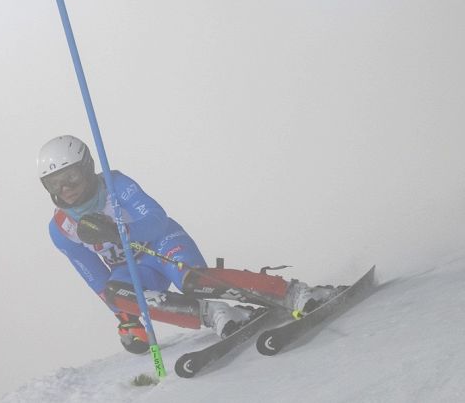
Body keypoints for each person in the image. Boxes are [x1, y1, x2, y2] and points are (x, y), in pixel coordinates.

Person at [38, 135, 338, 354]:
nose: (65, 189)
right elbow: (98, 281)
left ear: (87, 168)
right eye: (55, 183)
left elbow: (157, 219)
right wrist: (127, 319)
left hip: (162, 244)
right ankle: (216, 313)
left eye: (71, 177)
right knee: (118, 294)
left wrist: (122, 231)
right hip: (135, 269)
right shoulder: (61, 229)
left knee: (192, 280)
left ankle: (292, 292)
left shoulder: (115, 185)